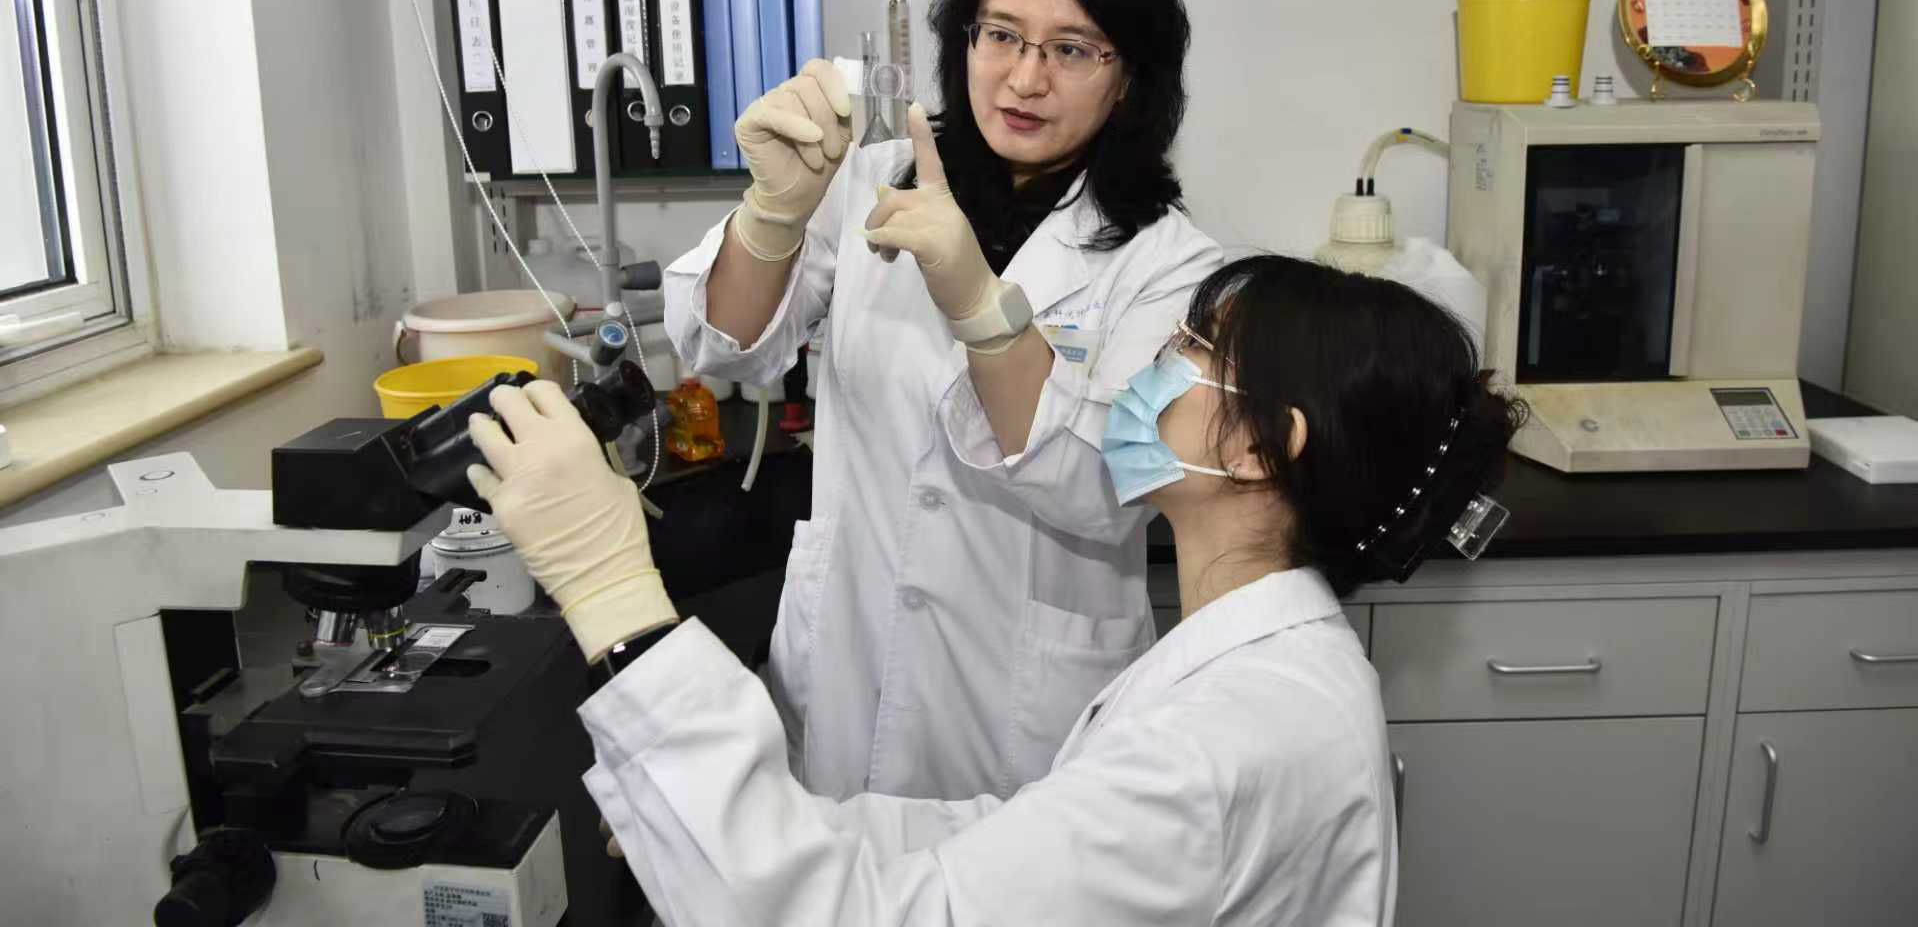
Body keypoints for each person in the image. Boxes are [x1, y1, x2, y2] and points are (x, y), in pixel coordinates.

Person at [465, 253, 1526, 925]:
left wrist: (610, 586)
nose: (1157, 360)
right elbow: (1021, 835)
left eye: (1196, 349)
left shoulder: (1224, 742)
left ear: (1258, 450)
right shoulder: (1261, 658)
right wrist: (777, 814)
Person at [660, 0, 1223, 801]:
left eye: (1073, 49)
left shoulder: (1168, 264)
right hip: (848, 661)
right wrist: (773, 217)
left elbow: (1105, 489)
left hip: (1026, 710)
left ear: (1132, 77)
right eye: (1000, 34)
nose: (1023, 79)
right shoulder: (867, 179)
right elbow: (722, 350)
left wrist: (977, 303)